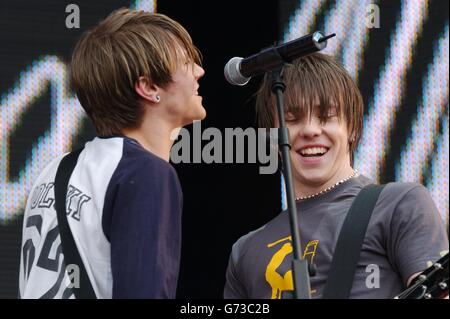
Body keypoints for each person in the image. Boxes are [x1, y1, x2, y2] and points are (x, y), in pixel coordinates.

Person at [223, 53, 449, 299]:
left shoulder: (400, 203)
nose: (310, 130)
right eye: (292, 118)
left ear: (351, 127)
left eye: (326, 116)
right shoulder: (245, 251)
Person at [19, 8, 205, 298]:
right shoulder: (145, 173)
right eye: (186, 62)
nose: (199, 71)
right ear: (148, 87)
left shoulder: (52, 171)